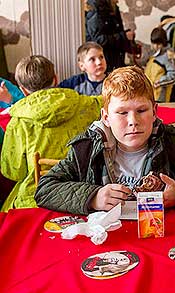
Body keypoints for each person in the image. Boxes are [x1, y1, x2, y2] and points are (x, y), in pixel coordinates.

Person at [35, 66, 175, 215]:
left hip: (161, 235)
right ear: (106, 117)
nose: (133, 122)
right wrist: (93, 197)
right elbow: (45, 189)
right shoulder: (86, 149)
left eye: (141, 110)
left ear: (154, 111)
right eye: (122, 113)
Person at [0, 55, 102, 211]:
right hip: (85, 191)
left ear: (23, 90)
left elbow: (13, 171)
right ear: (56, 78)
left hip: (36, 197)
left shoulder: (18, 121)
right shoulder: (89, 105)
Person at [85, 0, 137, 72]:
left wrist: (126, 36)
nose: (118, 1)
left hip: (114, 62)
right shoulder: (95, 10)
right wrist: (123, 36)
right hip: (104, 65)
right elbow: (98, 40)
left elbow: (114, 33)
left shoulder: (113, 8)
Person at [144, 27, 175, 103]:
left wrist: (159, 82)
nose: (156, 46)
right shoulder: (154, 53)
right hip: (150, 93)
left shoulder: (169, 56)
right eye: (154, 43)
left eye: (159, 44)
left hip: (160, 95)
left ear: (164, 42)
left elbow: (174, 75)